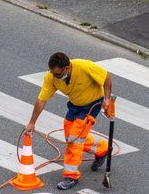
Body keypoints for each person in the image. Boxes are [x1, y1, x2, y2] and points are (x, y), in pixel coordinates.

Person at [24, 52, 112, 190]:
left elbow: (106, 77)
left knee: (74, 140)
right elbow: (42, 100)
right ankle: (102, 149)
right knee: (70, 136)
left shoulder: (84, 66)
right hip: (75, 105)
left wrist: (107, 99)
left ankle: (71, 176)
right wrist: (32, 122)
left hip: (92, 103)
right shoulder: (52, 77)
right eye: (53, 73)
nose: (56, 77)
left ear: (67, 67)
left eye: (59, 74)